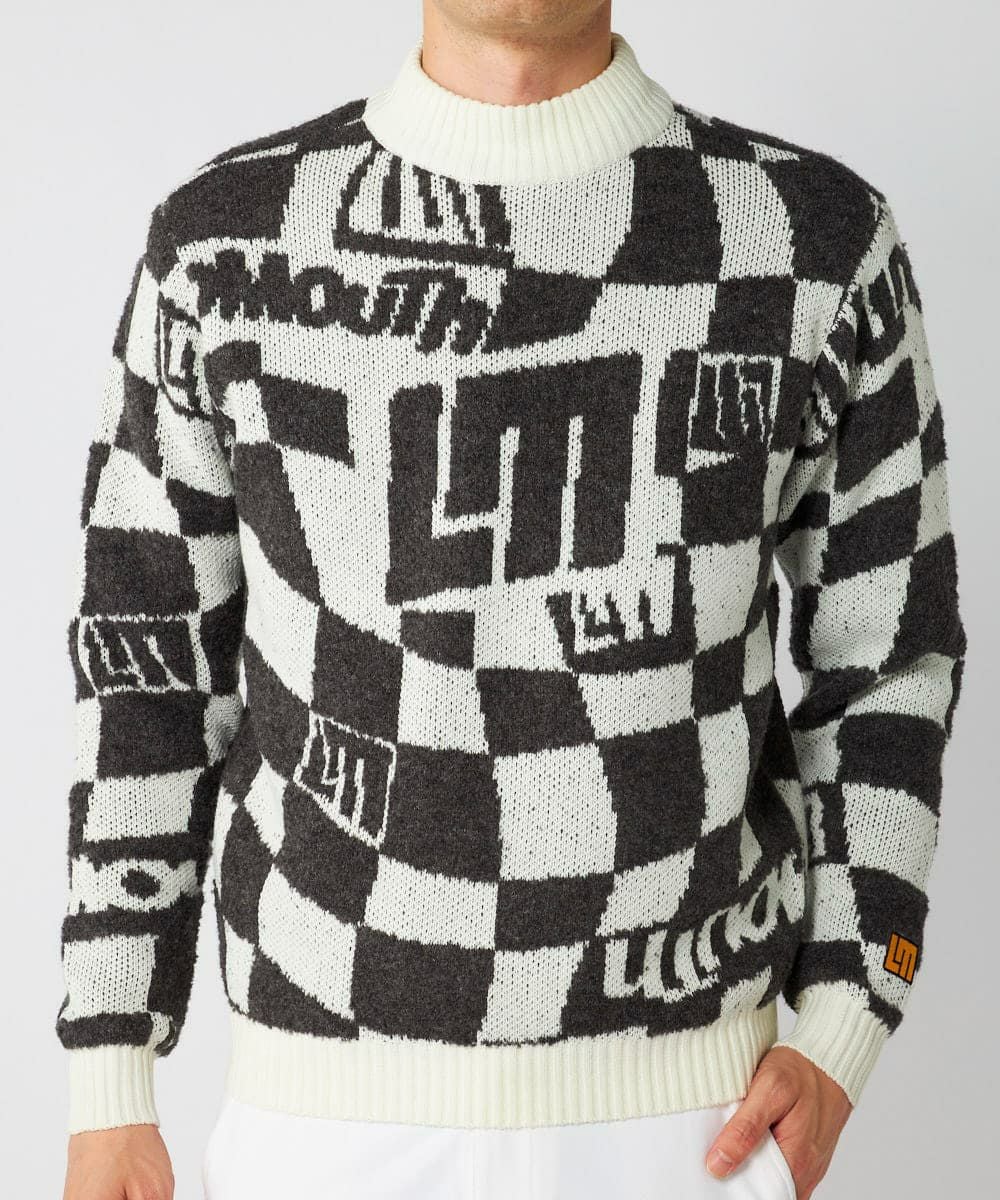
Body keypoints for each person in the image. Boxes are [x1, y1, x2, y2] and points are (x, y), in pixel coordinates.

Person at [57, 2, 968, 1198]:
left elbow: (890, 658)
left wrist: (849, 1014)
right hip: (322, 1130)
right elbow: (147, 673)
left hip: (691, 1130)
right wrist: (108, 1080)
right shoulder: (225, 246)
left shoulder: (814, 242)